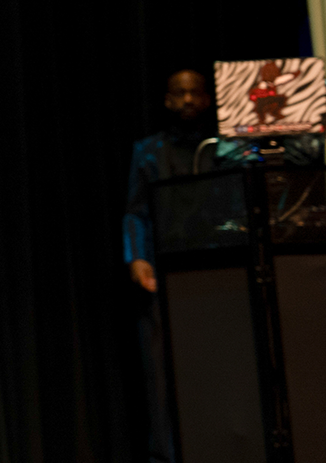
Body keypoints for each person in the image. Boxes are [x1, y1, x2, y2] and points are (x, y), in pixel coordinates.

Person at [122, 68, 214, 463]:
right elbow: (135, 212)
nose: (188, 100)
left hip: (216, 272)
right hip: (162, 274)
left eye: (195, 93)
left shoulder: (221, 149)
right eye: (181, 93)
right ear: (167, 100)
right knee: (161, 376)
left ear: (207, 99)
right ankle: (165, 457)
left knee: (216, 363)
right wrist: (138, 258)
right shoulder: (148, 151)